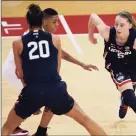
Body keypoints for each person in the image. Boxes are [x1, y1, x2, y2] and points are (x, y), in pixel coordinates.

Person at [2, 4, 107, 136]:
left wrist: (82, 64)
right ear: (43, 21)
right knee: (82, 117)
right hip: (14, 72)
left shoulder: (18, 42)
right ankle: (22, 127)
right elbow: (55, 69)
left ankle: (40, 130)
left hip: (31, 84)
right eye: (54, 22)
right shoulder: (54, 39)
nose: (57, 25)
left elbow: (22, 73)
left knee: (7, 127)